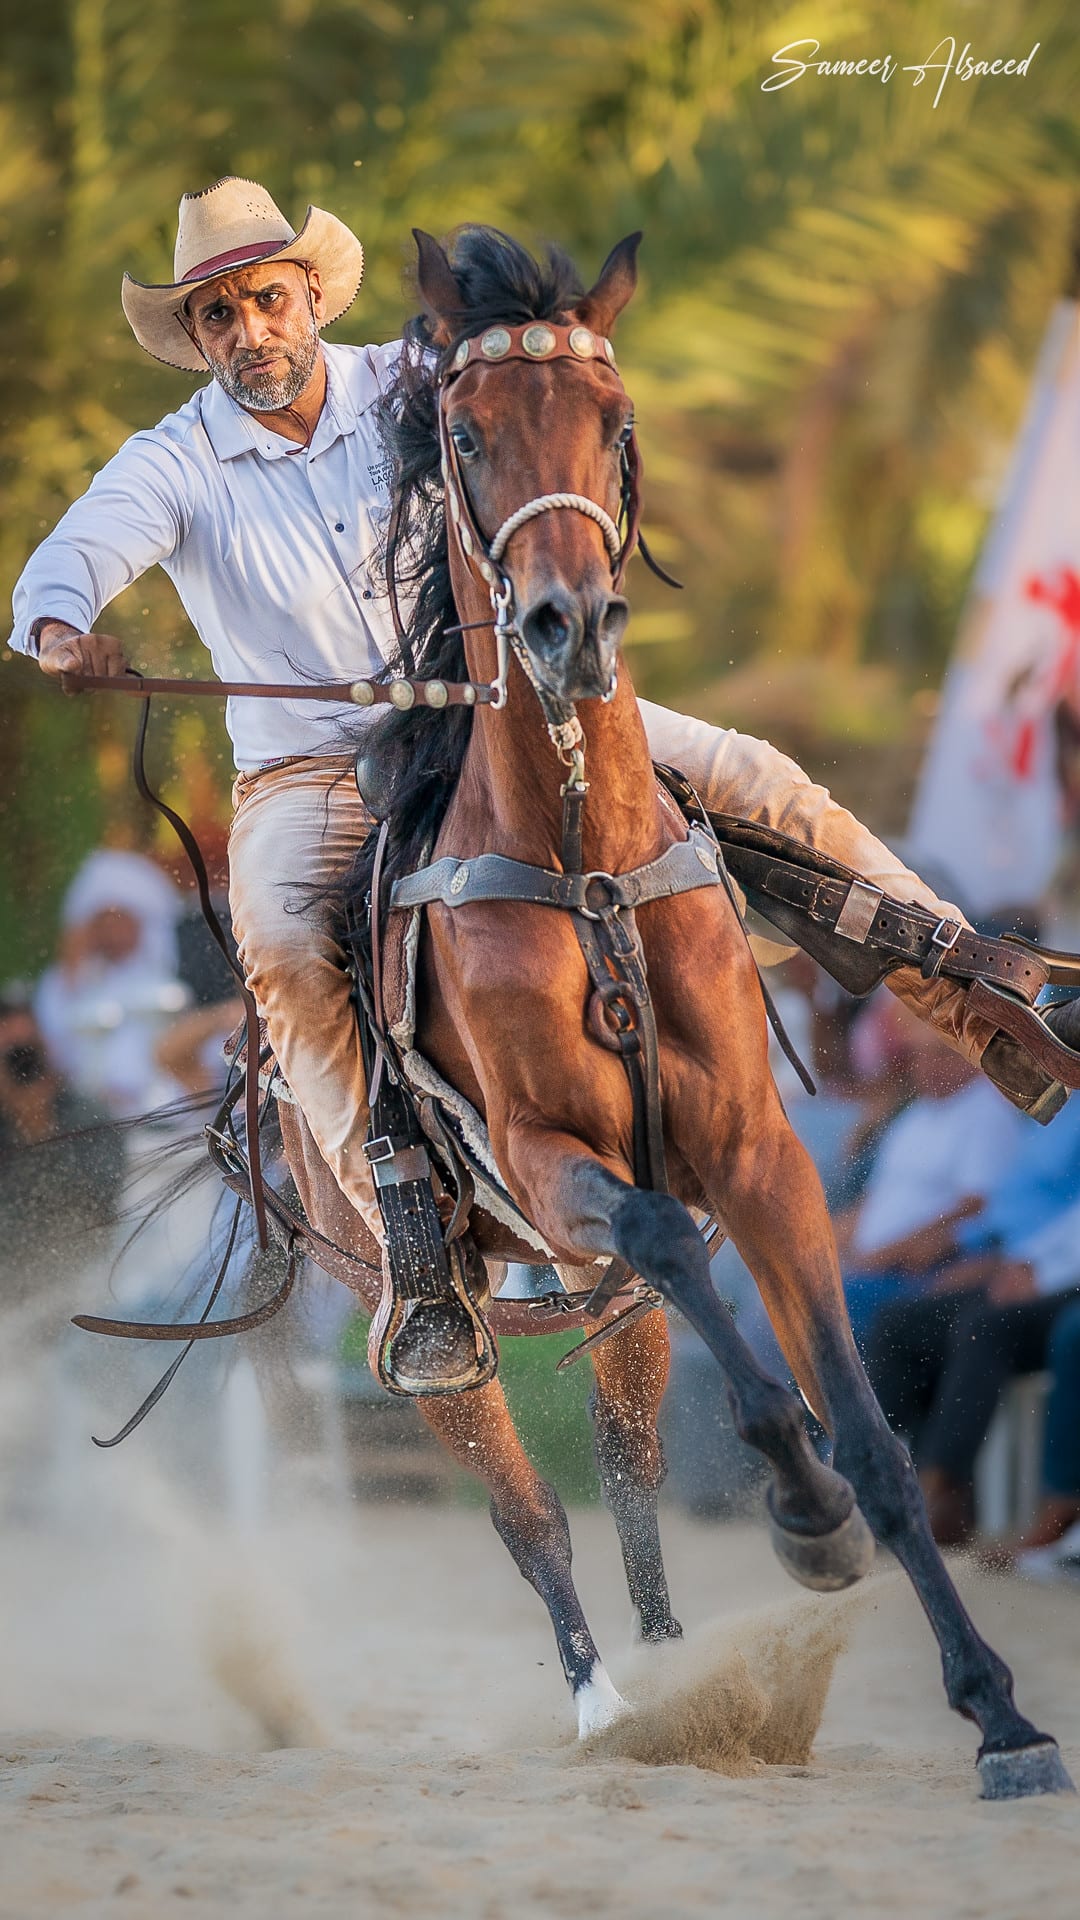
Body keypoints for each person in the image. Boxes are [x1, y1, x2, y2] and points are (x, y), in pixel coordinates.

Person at [10, 177, 1080, 1387]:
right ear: (197, 339)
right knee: (284, 952)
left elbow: (545, 406)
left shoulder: (415, 382)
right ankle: (415, 1251)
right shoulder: (173, 462)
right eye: (218, 316)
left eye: (265, 297)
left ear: (309, 294)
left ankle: (976, 982)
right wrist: (60, 632)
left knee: (755, 772)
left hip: (496, 708)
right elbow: (70, 560)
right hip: (310, 779)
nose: (249, 329)